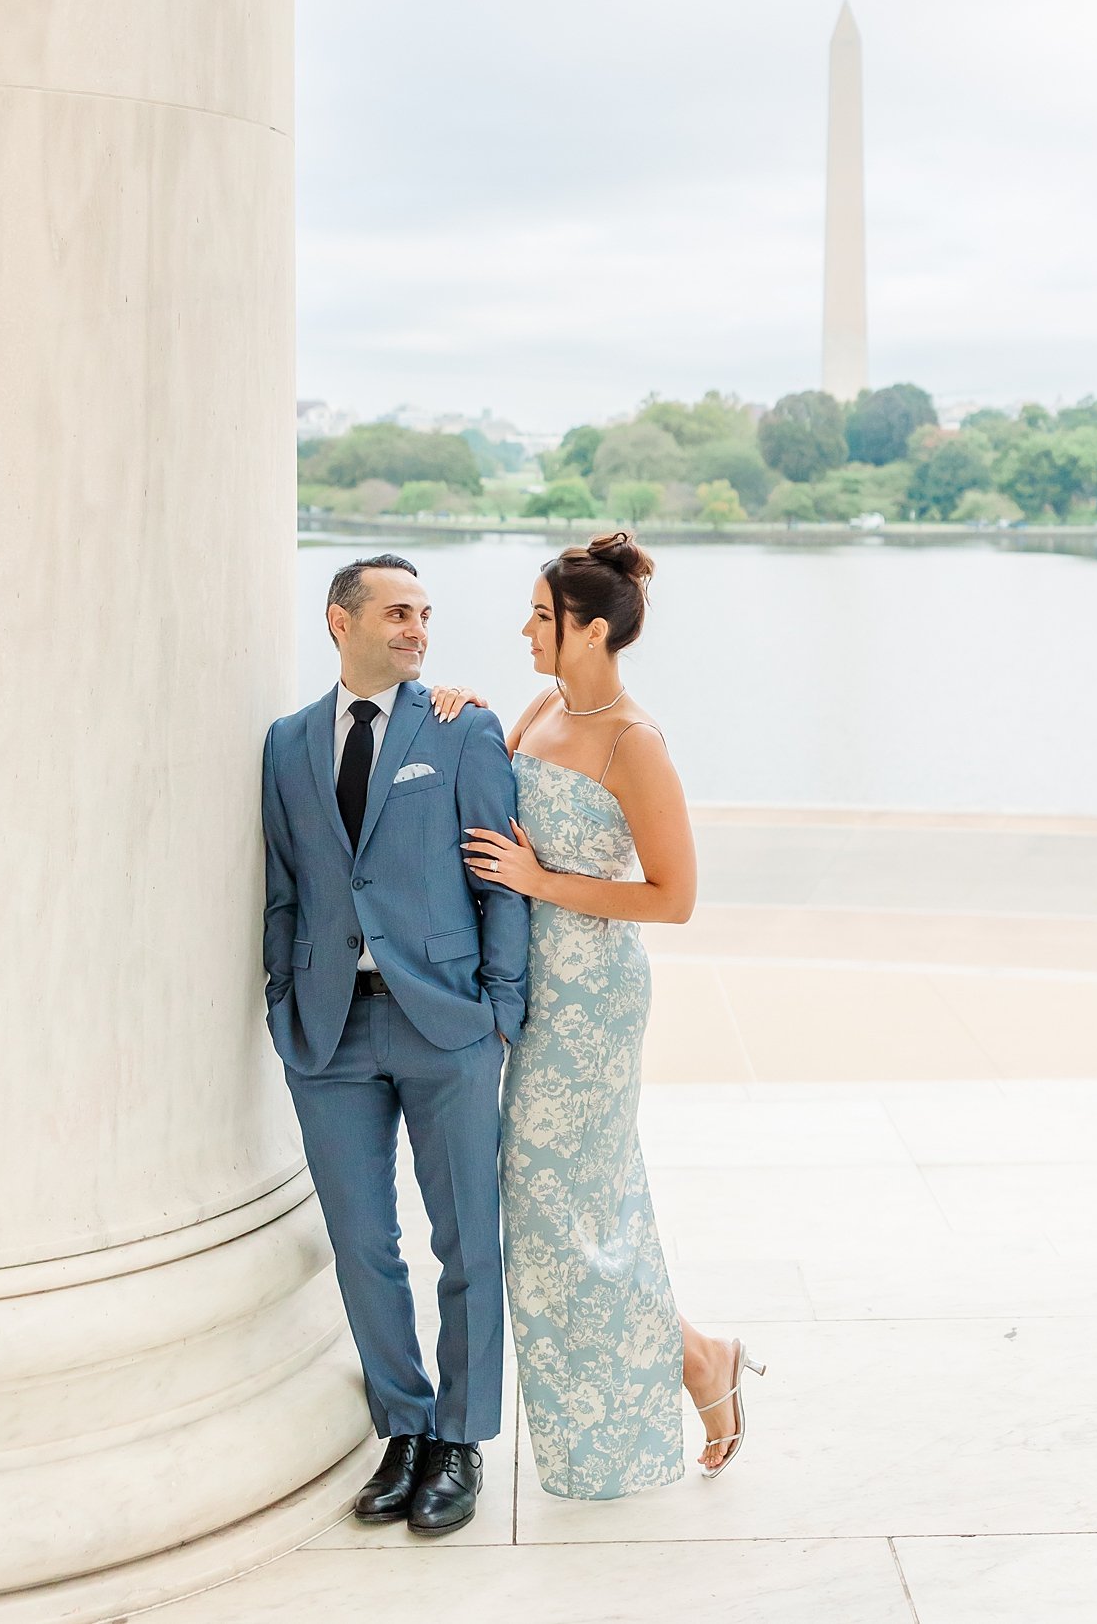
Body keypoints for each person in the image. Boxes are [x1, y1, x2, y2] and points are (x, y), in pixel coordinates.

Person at [433, 530, 764, 1501]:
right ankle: (698, 1355)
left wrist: (547, 879)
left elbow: (674, 898)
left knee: (563, 1213)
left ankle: (698, 1362)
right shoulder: (536, 706)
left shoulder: (634, 742)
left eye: (542, 616)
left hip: (595, 1000)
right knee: (557, 1218)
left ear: (589, 629)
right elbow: (485, 786)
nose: (527, 630)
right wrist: (458, 714)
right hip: (529, 989)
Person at [262, 554, 528, 1537]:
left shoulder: (462, 729)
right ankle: (404, 1424)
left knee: (464, 1239)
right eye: (397, 612)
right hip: (328, 1030)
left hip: (445, 1023)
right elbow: (286, 887)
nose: (418, 629)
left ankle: (460, 1438)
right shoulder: (287, 745)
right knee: (363, 1243)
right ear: (341, 623)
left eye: (425, 613)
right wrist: (282, 998)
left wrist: (500, 1006)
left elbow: (499, 878)